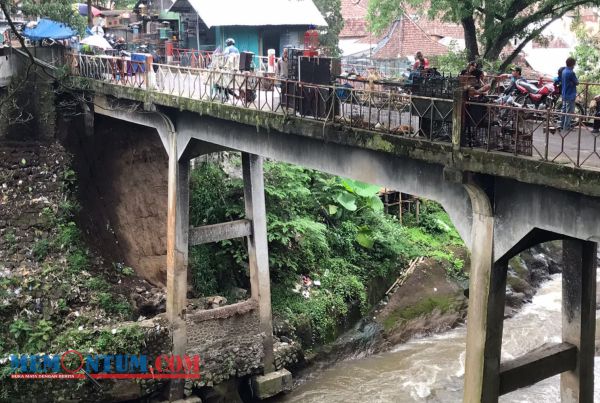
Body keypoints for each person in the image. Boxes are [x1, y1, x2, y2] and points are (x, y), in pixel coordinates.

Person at [560, 57, 579, 131]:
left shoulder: (564, 71)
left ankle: (562, 125)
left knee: (564, 110)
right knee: (569, 111)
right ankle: (567, 127)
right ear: (572, 64)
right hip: (570, 94)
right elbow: (577, 82)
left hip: (564, 94)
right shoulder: (571, 73)